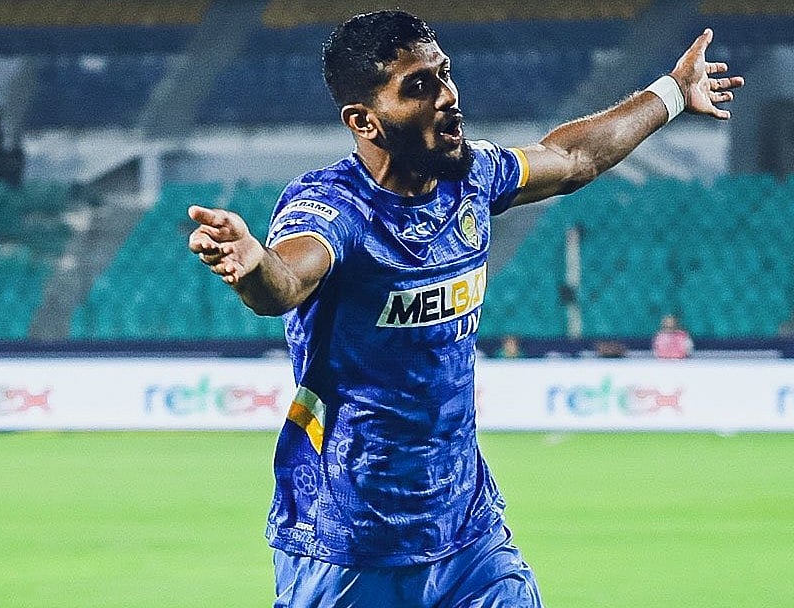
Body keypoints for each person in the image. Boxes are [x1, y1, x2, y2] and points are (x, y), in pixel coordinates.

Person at [188, 10, 742, 607]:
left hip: (468, 532)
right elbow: (289, 279)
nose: (447, 97)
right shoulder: (335, 206)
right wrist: (253, 267)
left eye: (444, 75)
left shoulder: (473, 177)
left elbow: (573, 159)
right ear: (363, 121)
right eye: (418, 87)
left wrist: (671, 94)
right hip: (348, 541)